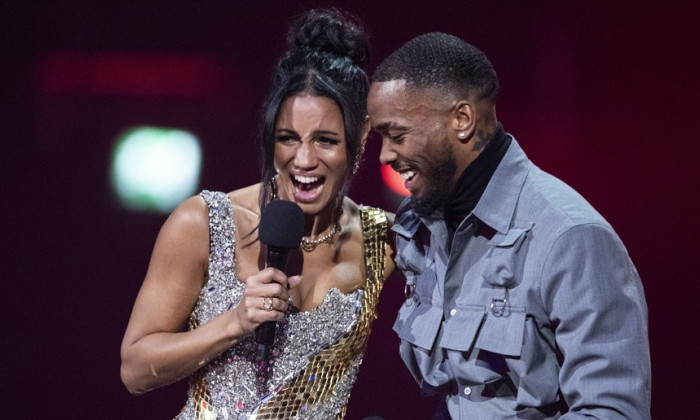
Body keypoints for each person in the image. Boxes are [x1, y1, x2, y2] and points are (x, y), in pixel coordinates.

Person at [120, 9, 395, 419]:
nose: (303, 159)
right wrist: (234, 322)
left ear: (361, 136)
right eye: (287, 138)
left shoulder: (384, 241)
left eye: (325, 140)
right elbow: (135, 370)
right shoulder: (203, 224)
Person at [367, 32, 651, 418]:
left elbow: (613, 412)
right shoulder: (421, 224)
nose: (384, 154)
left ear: (462, 120)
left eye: (396, 134)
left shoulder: (570, 237)